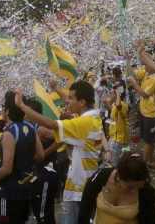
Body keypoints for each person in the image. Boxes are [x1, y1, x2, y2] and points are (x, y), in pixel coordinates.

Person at [15, 80, 104, 224]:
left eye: (71, 98)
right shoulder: (90, 118)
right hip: (84, 183)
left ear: (82, 102)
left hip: (79, 189)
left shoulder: (83, 123)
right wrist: (56, 88)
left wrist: (21, 106)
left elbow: (51, 124)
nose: (67, 102)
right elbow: (70, 103)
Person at [0, 91, 45, 224]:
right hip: (25, 190)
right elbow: (41, 155)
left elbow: (7, 168)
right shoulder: (31, 127)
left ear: (8, 111)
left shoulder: (9, 133)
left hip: (8, 192)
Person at [78, 152, 155, 224]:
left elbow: (149, 221)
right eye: (130, 187)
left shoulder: (147, 192)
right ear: (118, 177)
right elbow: (85, 208)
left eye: (139, 186)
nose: (135, 189)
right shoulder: (101, 177)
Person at [128, 47, 155, 164]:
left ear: (153, 65)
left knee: (149, 140)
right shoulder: (147, 72)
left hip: (151, 114)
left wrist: (134, 83)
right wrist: (128, 60)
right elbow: (134, 73)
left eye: (147, 64)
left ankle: (146, 162)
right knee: (148, 139)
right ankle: (149, 160)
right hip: (144, 111)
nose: (145, 66)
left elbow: (144, 94)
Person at [107, 88, 129, 166]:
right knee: (113, 157)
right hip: (115, 136)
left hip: (119, 138)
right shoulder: (114, 105)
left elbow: (118, 106)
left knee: (115, 161)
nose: (109, 94)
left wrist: (117, 93)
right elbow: (114, 114)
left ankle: (116, 173)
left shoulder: (122, 105)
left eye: (111, 93)